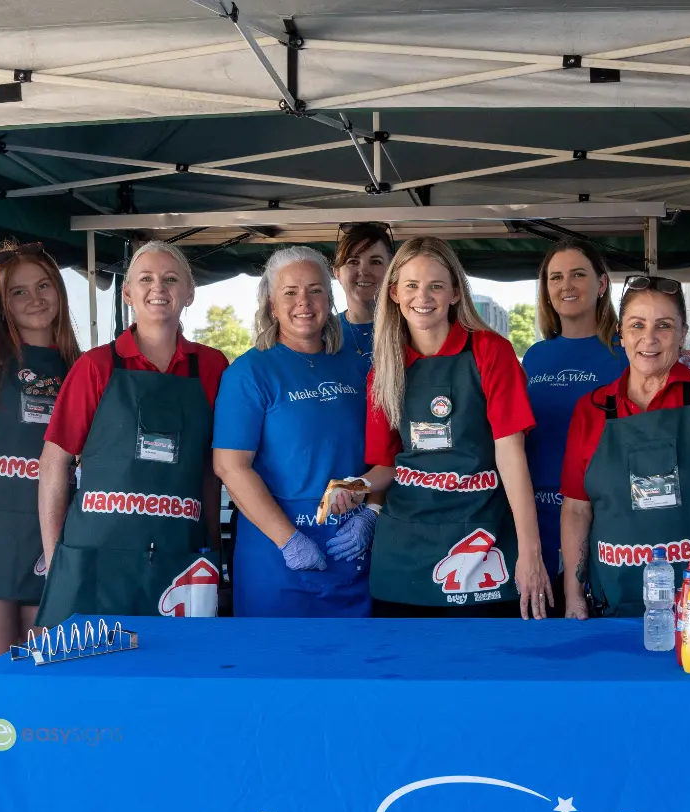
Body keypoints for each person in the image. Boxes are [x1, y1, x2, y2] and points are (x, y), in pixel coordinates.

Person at [325, 236, 550, 618]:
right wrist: (355, 487)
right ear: (394, 292)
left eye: (435, 285)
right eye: (411, 285)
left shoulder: (489, 351)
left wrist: (531, 554)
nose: (422, 296)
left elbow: (511, 455)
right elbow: (387, 465)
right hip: (404, 552)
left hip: (484, 542)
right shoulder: (385, 366)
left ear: (456, 293)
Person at [36, 240, 229, 624]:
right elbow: (53, 465)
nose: (159, 288)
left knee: (177, 677)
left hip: (181, 558)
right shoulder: (95, 366)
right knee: (86, 678)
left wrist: (214, 551)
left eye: (171, 279)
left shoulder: (212, 367)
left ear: (189, 294)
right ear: (127, 292)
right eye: (146, 279)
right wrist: (58, 557)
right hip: (93, 560)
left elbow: (213, 471)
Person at [560, 276, 690, 616]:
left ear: (683, 333)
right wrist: (573, 595)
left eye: (664, 326)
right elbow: (576, 509)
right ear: (621, 332)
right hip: (612, 600)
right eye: (637, 325)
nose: (649, 338)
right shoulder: (592, 408)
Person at [214, 247, 373, 616]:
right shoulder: (249, 373)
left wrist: (372, 512)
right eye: (290, 292)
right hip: (277, 557)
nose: (304, 301)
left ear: (329, 299)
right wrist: (289, 541)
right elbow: (230, 467)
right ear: (272, 304)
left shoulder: (357, 367)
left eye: (315, 290)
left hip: (352, 552)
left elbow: (386, 454)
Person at [0, 241, 80, 664]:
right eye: (18, 292)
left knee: (47, 686)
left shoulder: (84, 368)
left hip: (54, 541)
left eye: (43, 285)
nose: (35, 299)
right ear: (0, 304)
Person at [521, 239, 626, 614]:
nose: (566, 285)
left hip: (606, 521)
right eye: (556, 277)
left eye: (578, 274)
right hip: (541, 521)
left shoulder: (627, 353)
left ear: (601, 284)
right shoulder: (535, 357)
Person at [332, 222, 393, 360]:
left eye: (376, 262)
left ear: (391, 270)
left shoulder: (410, 329)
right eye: (353, 261)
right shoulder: (323, 334)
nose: (364, 271)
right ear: (337, 274)